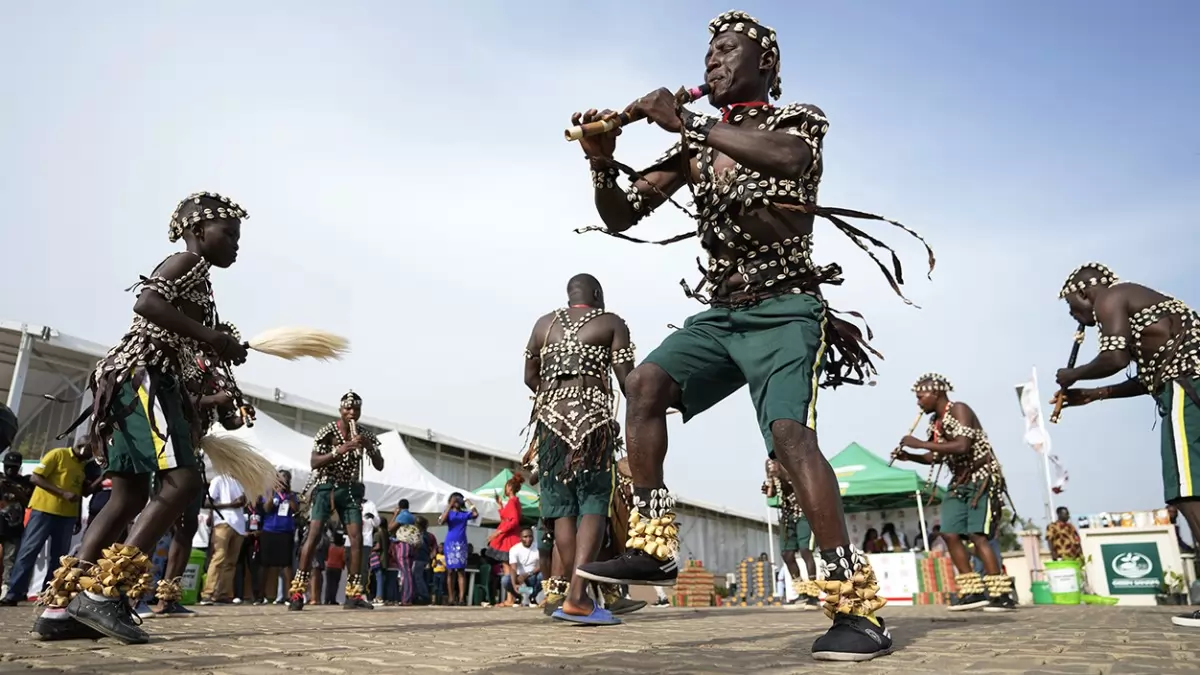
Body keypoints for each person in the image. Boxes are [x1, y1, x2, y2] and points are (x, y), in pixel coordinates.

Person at [571, 10, 934, 659]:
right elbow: (623, 212)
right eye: (707, 53)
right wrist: (602, 161)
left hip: (786, 308)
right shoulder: (697, 147)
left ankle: (858, 612)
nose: (712, 61)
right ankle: (653, 549)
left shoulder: (795, 121)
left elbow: (791, 160)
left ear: (765, 64)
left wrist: (688, 122)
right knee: (647, 383)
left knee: (790, 439)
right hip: (724, 312)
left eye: (727, 50)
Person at [32, 193, 253, 644]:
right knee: (184, 483)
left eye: (237, 237)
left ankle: (60, 608)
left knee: (127, 497)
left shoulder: (200, 280)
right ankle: (102, 596)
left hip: (132, 379)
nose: (234, 244)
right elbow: (148, 304)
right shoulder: (186, 261)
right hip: (140, 375)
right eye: (227, 234)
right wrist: (213, 336)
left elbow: (184, 342)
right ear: (197, 231)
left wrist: (220, 351)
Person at [1051, 263, 1200, 628]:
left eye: (1072, 306)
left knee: (1188, 492)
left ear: (1086, 292)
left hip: (1187, 391)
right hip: (1185, 387)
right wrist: (1095, 394)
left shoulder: (1112, 296)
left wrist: (1073, 374)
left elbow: (1114, 359)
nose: (1075, 316)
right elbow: (1146, 378)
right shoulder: (1139, 306)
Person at [523, 274, 635, 626]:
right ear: (597, 295)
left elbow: (529, 375)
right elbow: (628, 381)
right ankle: (577, 596)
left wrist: (556, 398)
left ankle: (570, 594)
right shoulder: (612, 322)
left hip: (551, 423)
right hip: (593, 427)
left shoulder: (544, 324)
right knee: (593, 504)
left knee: (563, 509)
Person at [893, 373, 1015, 613]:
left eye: (920, 397)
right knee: (949, 534)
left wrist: (920, 444)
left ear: (935, 393)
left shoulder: (959, 409)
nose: (918, 403)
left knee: (977, 535)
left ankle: (1000, 594)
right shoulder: (934, 422)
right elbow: (935, 456)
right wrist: (911, 456)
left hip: (981, 480)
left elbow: (961, 446)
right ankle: (972, 591)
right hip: (959, 483)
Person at [287, 391, 384, 611]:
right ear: (340, 410)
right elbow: (314, 462)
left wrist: (368, 446)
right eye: (348, 409)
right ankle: (297, 592)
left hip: (350, 489)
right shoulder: (327, 431)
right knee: (313, 535)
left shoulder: (364, 433)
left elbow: (379, 464)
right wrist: (338, 451)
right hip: (326, 487)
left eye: (356, 409)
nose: (352, 413)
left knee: (357, 538)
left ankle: (354, 594)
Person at [0, 439, 92, 607]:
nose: (92, 455)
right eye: (90, 451)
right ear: (83, 446)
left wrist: (77, 517)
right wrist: (62, 493)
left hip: (67, 516)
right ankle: (14, 593)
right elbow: (35, 478)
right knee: (28, 551)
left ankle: (48, 594)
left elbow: (79, 493)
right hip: (44, 510)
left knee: (59, 558)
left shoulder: (83, 466)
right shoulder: (58, 454)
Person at [762, 459, 819, 609]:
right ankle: (802, 592)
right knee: (786, 554)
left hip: (803, 516)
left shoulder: (791, 474)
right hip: (787, 518)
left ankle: (813, 595)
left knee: (805, 551)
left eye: (773, 464)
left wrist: (778, 476)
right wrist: (769, 484)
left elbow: (790, 485)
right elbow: (770, 495)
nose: (771, 466)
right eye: (769, 465)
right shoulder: (773, 479)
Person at [200, 473, 247, 604]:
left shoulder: (240, 482)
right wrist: (231, 505)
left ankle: (223, 593)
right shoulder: (218, 480)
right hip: (223, 522)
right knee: (218, 558)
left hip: (239, 525)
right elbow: (207, 502)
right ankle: (208, 593)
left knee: (231, 562)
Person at [259, 470, 299, 605]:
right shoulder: (269, 492)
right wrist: (274, 493)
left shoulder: (292, 495)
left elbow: (295, 509)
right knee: (265, 564)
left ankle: (290, 595)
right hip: (269, 531)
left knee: (287, 565)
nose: (282, 482)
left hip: (285, 532)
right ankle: (261, 595)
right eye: (280, 479)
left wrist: (288, 495)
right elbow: (267, 508)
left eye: (285, 480)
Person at [489, 474, 524, 607]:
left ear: (509, 487)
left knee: (509, 569)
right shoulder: (514, 501)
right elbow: (506, 517)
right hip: (508, 536)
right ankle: (511, 598)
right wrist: (499, 505)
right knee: (508, 568)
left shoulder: (513, 501)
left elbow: (513, 521)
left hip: (509, 537)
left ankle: (511, 598)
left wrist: (498, 532)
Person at [0, 451, 32, 597]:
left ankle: (6, 587)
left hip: (13, 526)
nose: (10, 470)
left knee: (10, 559)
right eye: (8, 467)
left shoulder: (24, 482)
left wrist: (13, 489)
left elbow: (29, 502)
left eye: (14, 467)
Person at [438, 492, 477, 606]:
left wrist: (467, 501)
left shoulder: (464, 514)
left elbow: (475, 513)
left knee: (461, 571)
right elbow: (441, 521)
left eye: (458, 499)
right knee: (450, 571)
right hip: (450, 543)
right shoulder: (448, 513)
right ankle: (450, 598)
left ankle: (461, 598)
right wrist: (449, 505)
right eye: (455, 499)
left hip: (461, 543)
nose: (457, 501)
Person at [507, 527, 542, 606]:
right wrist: (514, 585)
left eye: (530, 536)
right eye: (525, 537)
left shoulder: (538, 547)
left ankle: (532, 597)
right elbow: (513, 568)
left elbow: (541, 565)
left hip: (532, 575)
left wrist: (528, 574)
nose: (528, 539)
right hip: (518, 576)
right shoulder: (514, 549)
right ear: (520, 538)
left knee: (542, 576)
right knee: (505, 580)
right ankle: (518, 597)